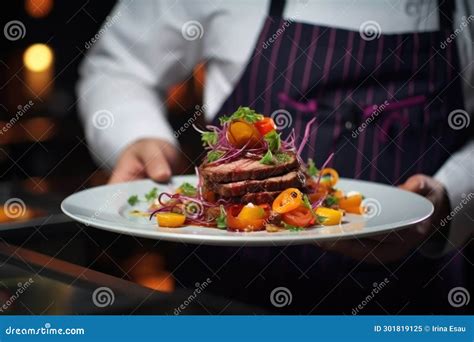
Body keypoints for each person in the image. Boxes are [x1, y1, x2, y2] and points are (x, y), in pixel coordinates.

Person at [78, 0, 473, 313]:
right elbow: (118, 67)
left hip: (412, 296)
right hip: (225, 298)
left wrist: (451, 195)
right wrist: (138, 135)